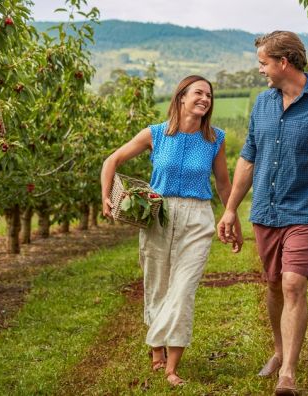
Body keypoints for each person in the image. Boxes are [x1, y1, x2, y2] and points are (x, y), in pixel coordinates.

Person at [217, 31, 308, 395]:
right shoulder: (262, 104)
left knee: (294, 283)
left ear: (283, 62)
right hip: (266, 209)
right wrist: (231, 208)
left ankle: (288, 374)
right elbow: (248, 158)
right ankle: (279, 352)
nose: (260, 70)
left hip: (307, 209)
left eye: (263, 63)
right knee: (275, 284)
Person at [101, 75, 242, 387]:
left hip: (197, 217)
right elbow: (112, 161)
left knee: (183, 289)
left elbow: (222, 183)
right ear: (181, 98)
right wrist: (106, 197)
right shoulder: (156, 134)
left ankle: (171, 368)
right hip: (159, 214)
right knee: (157, 283)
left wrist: (233, 218)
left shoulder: (215, 139)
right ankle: (156, 349)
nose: (205, 99)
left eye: (209, 95)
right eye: (198, 93)